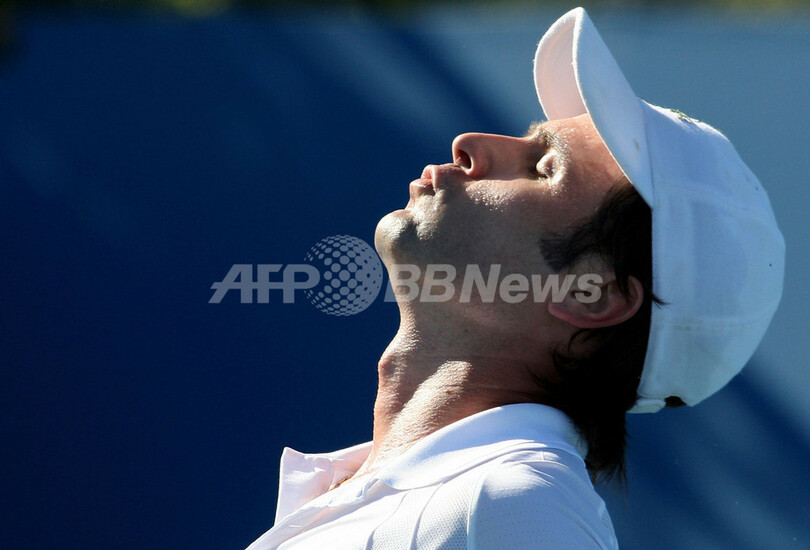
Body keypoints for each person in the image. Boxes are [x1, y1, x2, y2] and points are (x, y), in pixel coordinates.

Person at [245, 7, 784, 549]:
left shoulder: (521, 502)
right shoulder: (475, 500)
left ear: (591, 293)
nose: (469, 143)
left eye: (543, 168)